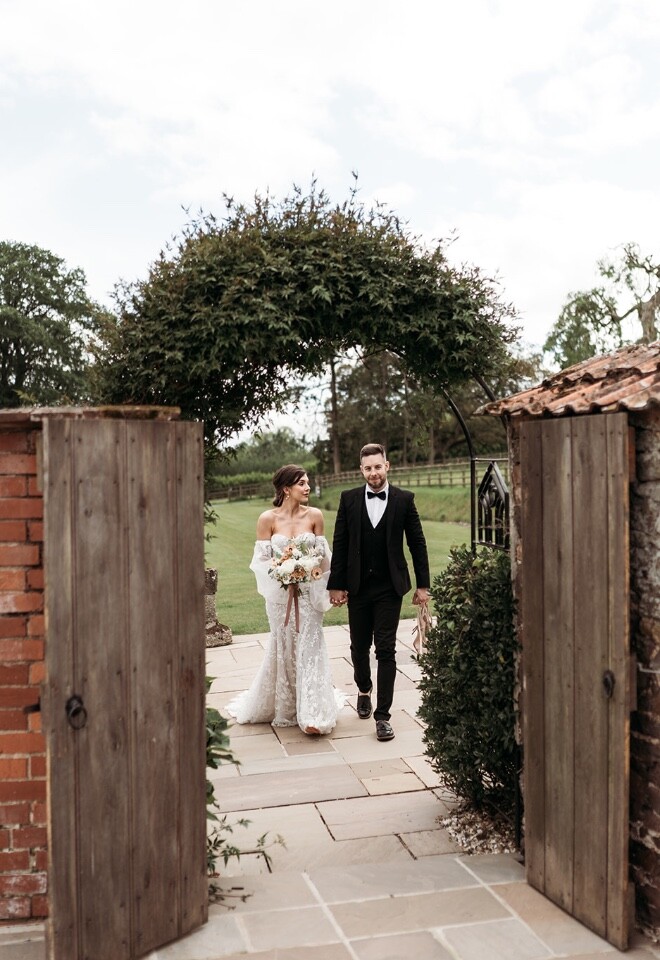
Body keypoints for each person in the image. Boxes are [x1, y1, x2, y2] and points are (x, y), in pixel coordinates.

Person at [226, 465, 344, 736]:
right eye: (302, 483)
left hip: (308, 596)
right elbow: (261, 562)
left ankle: (314, 712)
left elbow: (324, 558)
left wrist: (333, 587)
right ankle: (287, 706)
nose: (308, 487)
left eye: (308, 482)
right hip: (280, 600)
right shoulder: (267, 519)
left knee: (311, 646)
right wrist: (284, 573)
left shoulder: (315, 516)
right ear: (286, 489)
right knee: (284, 646)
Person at [328, 443, 430, 742]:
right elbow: (340, 543)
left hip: (389, 587)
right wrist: (336, 584)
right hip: (358, 586)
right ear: (361, 470)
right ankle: (363, 689)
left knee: (386, 649)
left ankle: (383, 716)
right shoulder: (348, 499)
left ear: (387, 466)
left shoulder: (404, 499)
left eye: (378, 466)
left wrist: (423, 585)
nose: (373, 473)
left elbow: (417, 543)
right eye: (368, 468)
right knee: (359, 647)